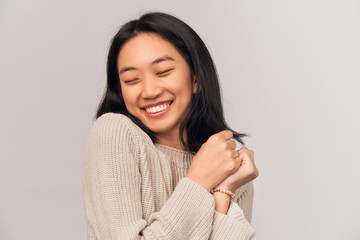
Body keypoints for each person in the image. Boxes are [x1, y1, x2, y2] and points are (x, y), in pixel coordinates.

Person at [83, 12, 259, 240]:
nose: (149, 91)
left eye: (163, 72)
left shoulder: (230, 171)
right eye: (131, 80)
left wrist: (223, 194)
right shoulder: (114, 133)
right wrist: (199, 180)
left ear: (195, 78)